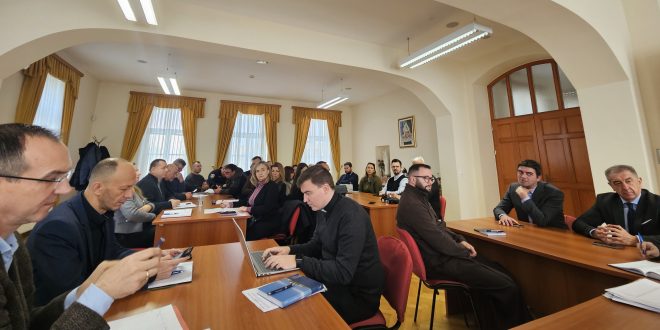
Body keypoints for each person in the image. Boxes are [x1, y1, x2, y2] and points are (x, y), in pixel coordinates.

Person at [0, 123, 161, 328]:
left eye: (64, 177)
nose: (65, 188)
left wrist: (84, 292)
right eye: (51, 178)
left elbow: (28, 321)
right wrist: (101, 292)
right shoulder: (57, 227)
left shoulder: (13, 244)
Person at [28, 158, 188, 306]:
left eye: (132, 187)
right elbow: (71, 296)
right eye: (124, 188)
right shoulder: (58, 228)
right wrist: (149, 273)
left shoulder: (103, 211)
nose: (130, 195)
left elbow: (113, 251)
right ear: (98, 187)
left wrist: (152, 259)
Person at [397, 164, 531, 329]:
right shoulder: (412, 204)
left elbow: (439, 226)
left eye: (431, 178)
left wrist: (460, 239)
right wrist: (464, 250)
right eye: (425, 178)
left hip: (443, 256)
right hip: (439, 262)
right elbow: (438, 239)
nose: (430, 182)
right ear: (411, 179)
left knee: (499, 270)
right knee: (507, 285)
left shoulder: (418, 197)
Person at [262, 165, 384, 324]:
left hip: (357, 297)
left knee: (293, 314)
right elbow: (316, 245)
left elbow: (343, 273)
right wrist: (288, 249)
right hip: (335, 282)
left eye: (308, 193)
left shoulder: (351, 216)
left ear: (325, 189)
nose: (305, 200)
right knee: (281, 294)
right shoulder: (323, 209)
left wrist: (297, 261)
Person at [572, 165, 660, 246]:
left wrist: (635, 240)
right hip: (619, 253)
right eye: (618, 183)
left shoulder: (656, 203)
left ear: (639, 181)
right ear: (611, 186)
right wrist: (594, 232)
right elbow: (578, 223)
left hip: (651, 254)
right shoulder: (605, 201)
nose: (625, 187)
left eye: (628, 181)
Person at [493, 159, 565, 228]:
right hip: (527, 230)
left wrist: (525, 198)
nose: (523, 176)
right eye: (520, 172)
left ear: (538, 178)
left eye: (529, 174)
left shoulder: (554, 193)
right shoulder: (513, 188)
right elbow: (498, 209)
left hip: (553, 233)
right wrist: (503, 216)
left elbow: (542, 221)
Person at [223, 162, 281, 240]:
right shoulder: (258, 185)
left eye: (263, 170)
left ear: (268, 171)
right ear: (255, 174)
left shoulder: (272, 186)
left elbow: (267, 208)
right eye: (257, 171)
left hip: (267, 221)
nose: (260, 173)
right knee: (233, 228)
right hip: (256, 218)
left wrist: (248, 209)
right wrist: (231, 204)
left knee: (242, 235)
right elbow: (248, 202)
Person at [114, 164, 157, 248]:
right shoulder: (123, 190)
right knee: (163, 232)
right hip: (127, 235)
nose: (139, 173)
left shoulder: (135, 188)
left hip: (138, 229)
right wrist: (153, 216)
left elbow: (149, 203)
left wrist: (149, 206)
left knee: (164, 230)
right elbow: (132, 214)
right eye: (135, 171)